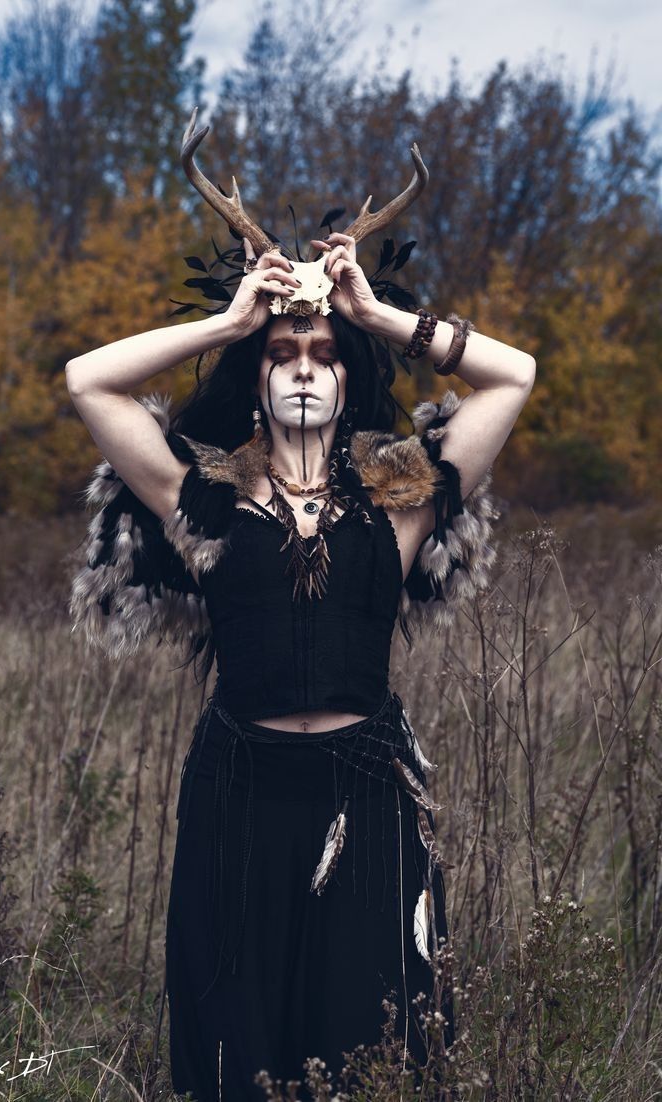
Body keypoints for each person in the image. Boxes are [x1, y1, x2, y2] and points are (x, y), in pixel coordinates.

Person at [66, 119, 535, 1100]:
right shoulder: (201, 502)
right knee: (238, 1039)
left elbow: (513, 376)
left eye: (323, 350)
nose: (306, 362)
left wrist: (374, 313)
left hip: (368, 793)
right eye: (285, 351)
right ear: (259, 379)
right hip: (239, 791)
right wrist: (233, 321)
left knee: (374, 1036)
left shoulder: (395, 494)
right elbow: (88, 381)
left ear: (347, 371)